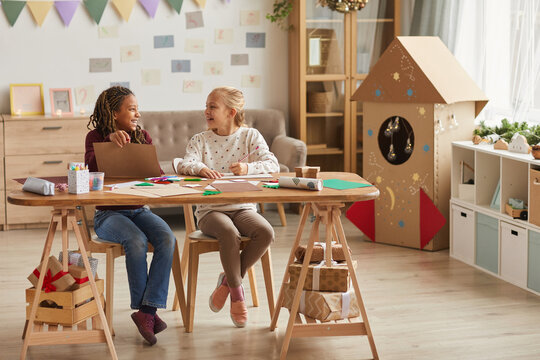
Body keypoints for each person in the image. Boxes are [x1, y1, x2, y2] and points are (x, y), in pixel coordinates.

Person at [179, 86, 279, 328]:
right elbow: (184, 163)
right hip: (210, 211)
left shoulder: (250, 137)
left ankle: (228, 281)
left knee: (266, 232)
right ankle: (237, 294)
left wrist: (248, 169)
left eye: (213, 106)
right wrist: (199, 168)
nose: (207, 111)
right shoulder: (200, 140)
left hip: (242, 207)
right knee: (229, 233)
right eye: (207, 106)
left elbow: (272, 165)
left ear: (231, 112)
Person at [84, 86, 176, 345]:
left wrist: (145, 153)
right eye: (132, 108)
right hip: (108, 217)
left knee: (167, 238)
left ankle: (147, 311)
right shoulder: (95, 137)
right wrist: (108, 144)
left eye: (137, 108)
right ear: (115, 113)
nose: (138, 113)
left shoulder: (142, 136)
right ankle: (146, 310)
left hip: (139, 209)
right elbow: (90, 169)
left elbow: (156, 172)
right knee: (135, 240)